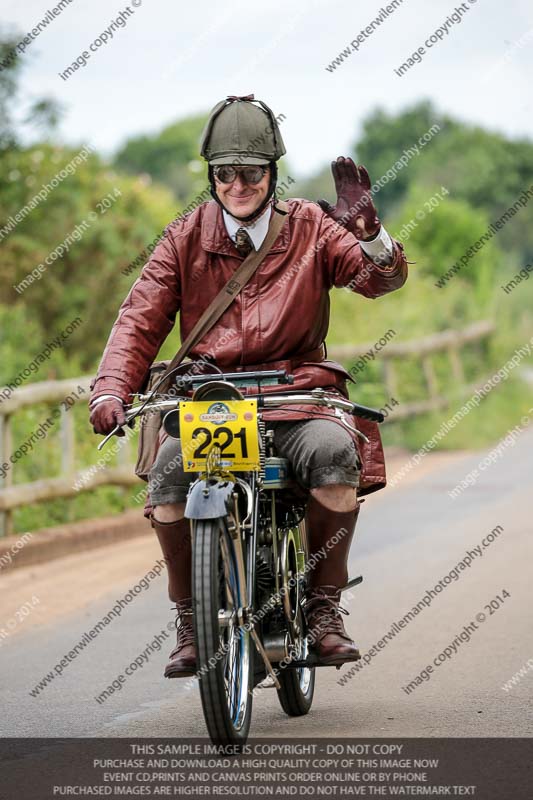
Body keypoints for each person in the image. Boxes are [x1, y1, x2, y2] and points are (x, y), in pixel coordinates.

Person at [89, 94, 408, 678]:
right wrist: (111, 389)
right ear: (212, 176)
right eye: (226, 173)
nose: (239, 185)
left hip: (296, 397)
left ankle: (322, 611)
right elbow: (138, 320)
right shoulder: (182, 237)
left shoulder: (312, 227)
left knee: (337, 456)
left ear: (272, 174)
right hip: (211, 405)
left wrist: (371, 238)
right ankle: (190, 622)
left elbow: (376, 281)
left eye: (252, 172)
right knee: (166, 478)